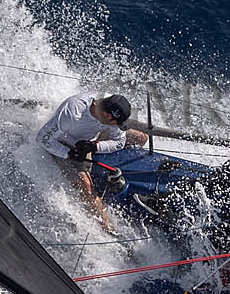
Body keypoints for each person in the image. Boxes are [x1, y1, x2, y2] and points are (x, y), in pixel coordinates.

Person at [38, 91, 148, 232]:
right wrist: (69, 154)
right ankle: (107, 229)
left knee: (142, 137)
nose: (117, 126)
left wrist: (95, 146)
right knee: (85, 185)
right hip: (64, 145)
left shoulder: (111, 108)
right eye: (115, 123)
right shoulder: (72, 112)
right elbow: (42, 138)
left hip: (90, 141)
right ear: (108, 116)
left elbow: (119, 142)